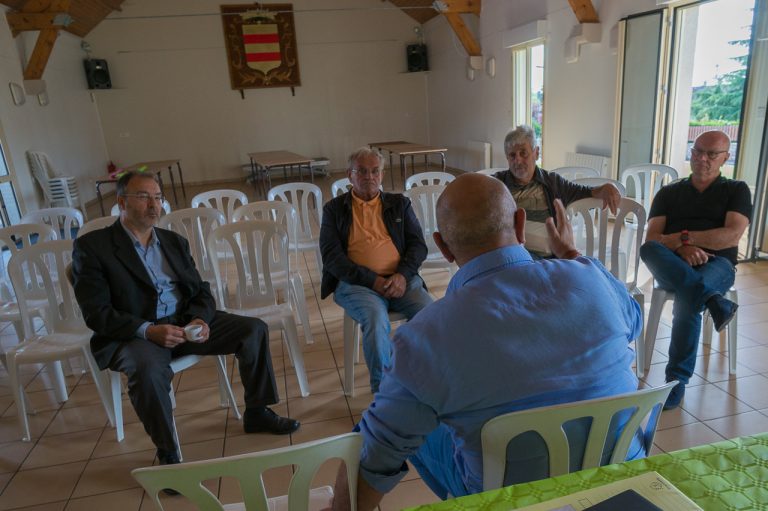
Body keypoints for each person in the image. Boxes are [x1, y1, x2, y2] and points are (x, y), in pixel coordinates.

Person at [330, 173, 643, 510]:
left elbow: (375, 455)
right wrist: (570, 256)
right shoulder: (593, 278)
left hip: (507, 500)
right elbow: (634, 322)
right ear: (520, 224)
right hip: (617, 482)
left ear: (444, 247)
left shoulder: (426, 337)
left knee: (385, 425)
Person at [72, 171, 299, 468]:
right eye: (143, 197)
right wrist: (148, 330)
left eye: (158, 197)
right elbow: (96, 313)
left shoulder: (173, 241)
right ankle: (168, 451)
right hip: (134, 334)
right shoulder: (94, 247)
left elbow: (200, 291)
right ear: (121, 202)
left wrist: (199, 319)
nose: (153, 205)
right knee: (147, 370)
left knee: (253, 329)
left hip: (182, 322)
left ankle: (257, 411)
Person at [640, 130, 751, 410]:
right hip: (673, 262)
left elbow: (730, 238)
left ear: (725, 157)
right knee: (648, 250)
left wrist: (681, 239)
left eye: (712, 154)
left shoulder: (736, 190)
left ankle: (676, 381)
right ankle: (713, 300)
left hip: (718, 264)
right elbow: (653, 240)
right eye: (698, 151)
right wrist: (681, 249)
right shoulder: (669, 192)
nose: (703, 158)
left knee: (688, 300)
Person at [319, 147, 434, 393]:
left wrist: (402, 275)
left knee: (431, 316)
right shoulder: (334, 209)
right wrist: (373, 282)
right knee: (375, 320)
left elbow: (418, 246)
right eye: (361, 171)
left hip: (402, 281)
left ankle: (426, 383)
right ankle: (384, 393)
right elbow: (332, 258)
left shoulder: (399, 204)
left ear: (382, 175)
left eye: (375, 171)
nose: (368, 176)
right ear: (349, 175)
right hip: (358, 285)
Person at [493, 124, 621, 257]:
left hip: (549, 259)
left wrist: (605, 188)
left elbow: (584, 192)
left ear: (536, 153)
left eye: (523, 153)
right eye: (512, 155)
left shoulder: (552, 182)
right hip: (513, 258)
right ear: (507, 158)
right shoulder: (497, 184)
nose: (517, 160)